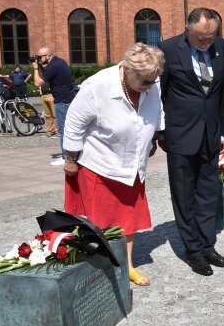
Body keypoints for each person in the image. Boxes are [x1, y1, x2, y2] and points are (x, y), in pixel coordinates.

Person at [63, 43, 165, 287]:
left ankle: (127, 265)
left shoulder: (151, 84)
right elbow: (74, 123)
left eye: (154, 81)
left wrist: (154, 138)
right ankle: (98, 268)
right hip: (100, 163)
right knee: (98, 221)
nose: (149, 87)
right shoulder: (98, 85)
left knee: (128, 220)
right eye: (145, 81)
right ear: (127, 68)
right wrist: (70, 159)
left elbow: (156, 113)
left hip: (132, 165)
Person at [158, 7, 224, 276]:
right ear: (187, 28)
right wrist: (160, 133)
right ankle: (193, 251)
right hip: (179, 136)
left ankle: (208, 246)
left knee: (207, 193)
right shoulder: (167, 49)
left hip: (211, 135)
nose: (207, 43)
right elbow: (158, 95)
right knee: (184, 194)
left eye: (211, 37)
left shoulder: (221, 47)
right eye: (201, 37)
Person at [31, 47, 76, 165]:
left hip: (62, 101)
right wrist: (40, 66)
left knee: (63, 130)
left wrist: (35, 69)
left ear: (48, 56)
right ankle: (71, 155)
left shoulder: (53, 66)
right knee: (69, 129)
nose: (39, 59)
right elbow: (45, 76)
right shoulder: (60, 62)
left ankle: (65, 157)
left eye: (41, 57)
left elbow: (37, 82)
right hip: (68, 99)